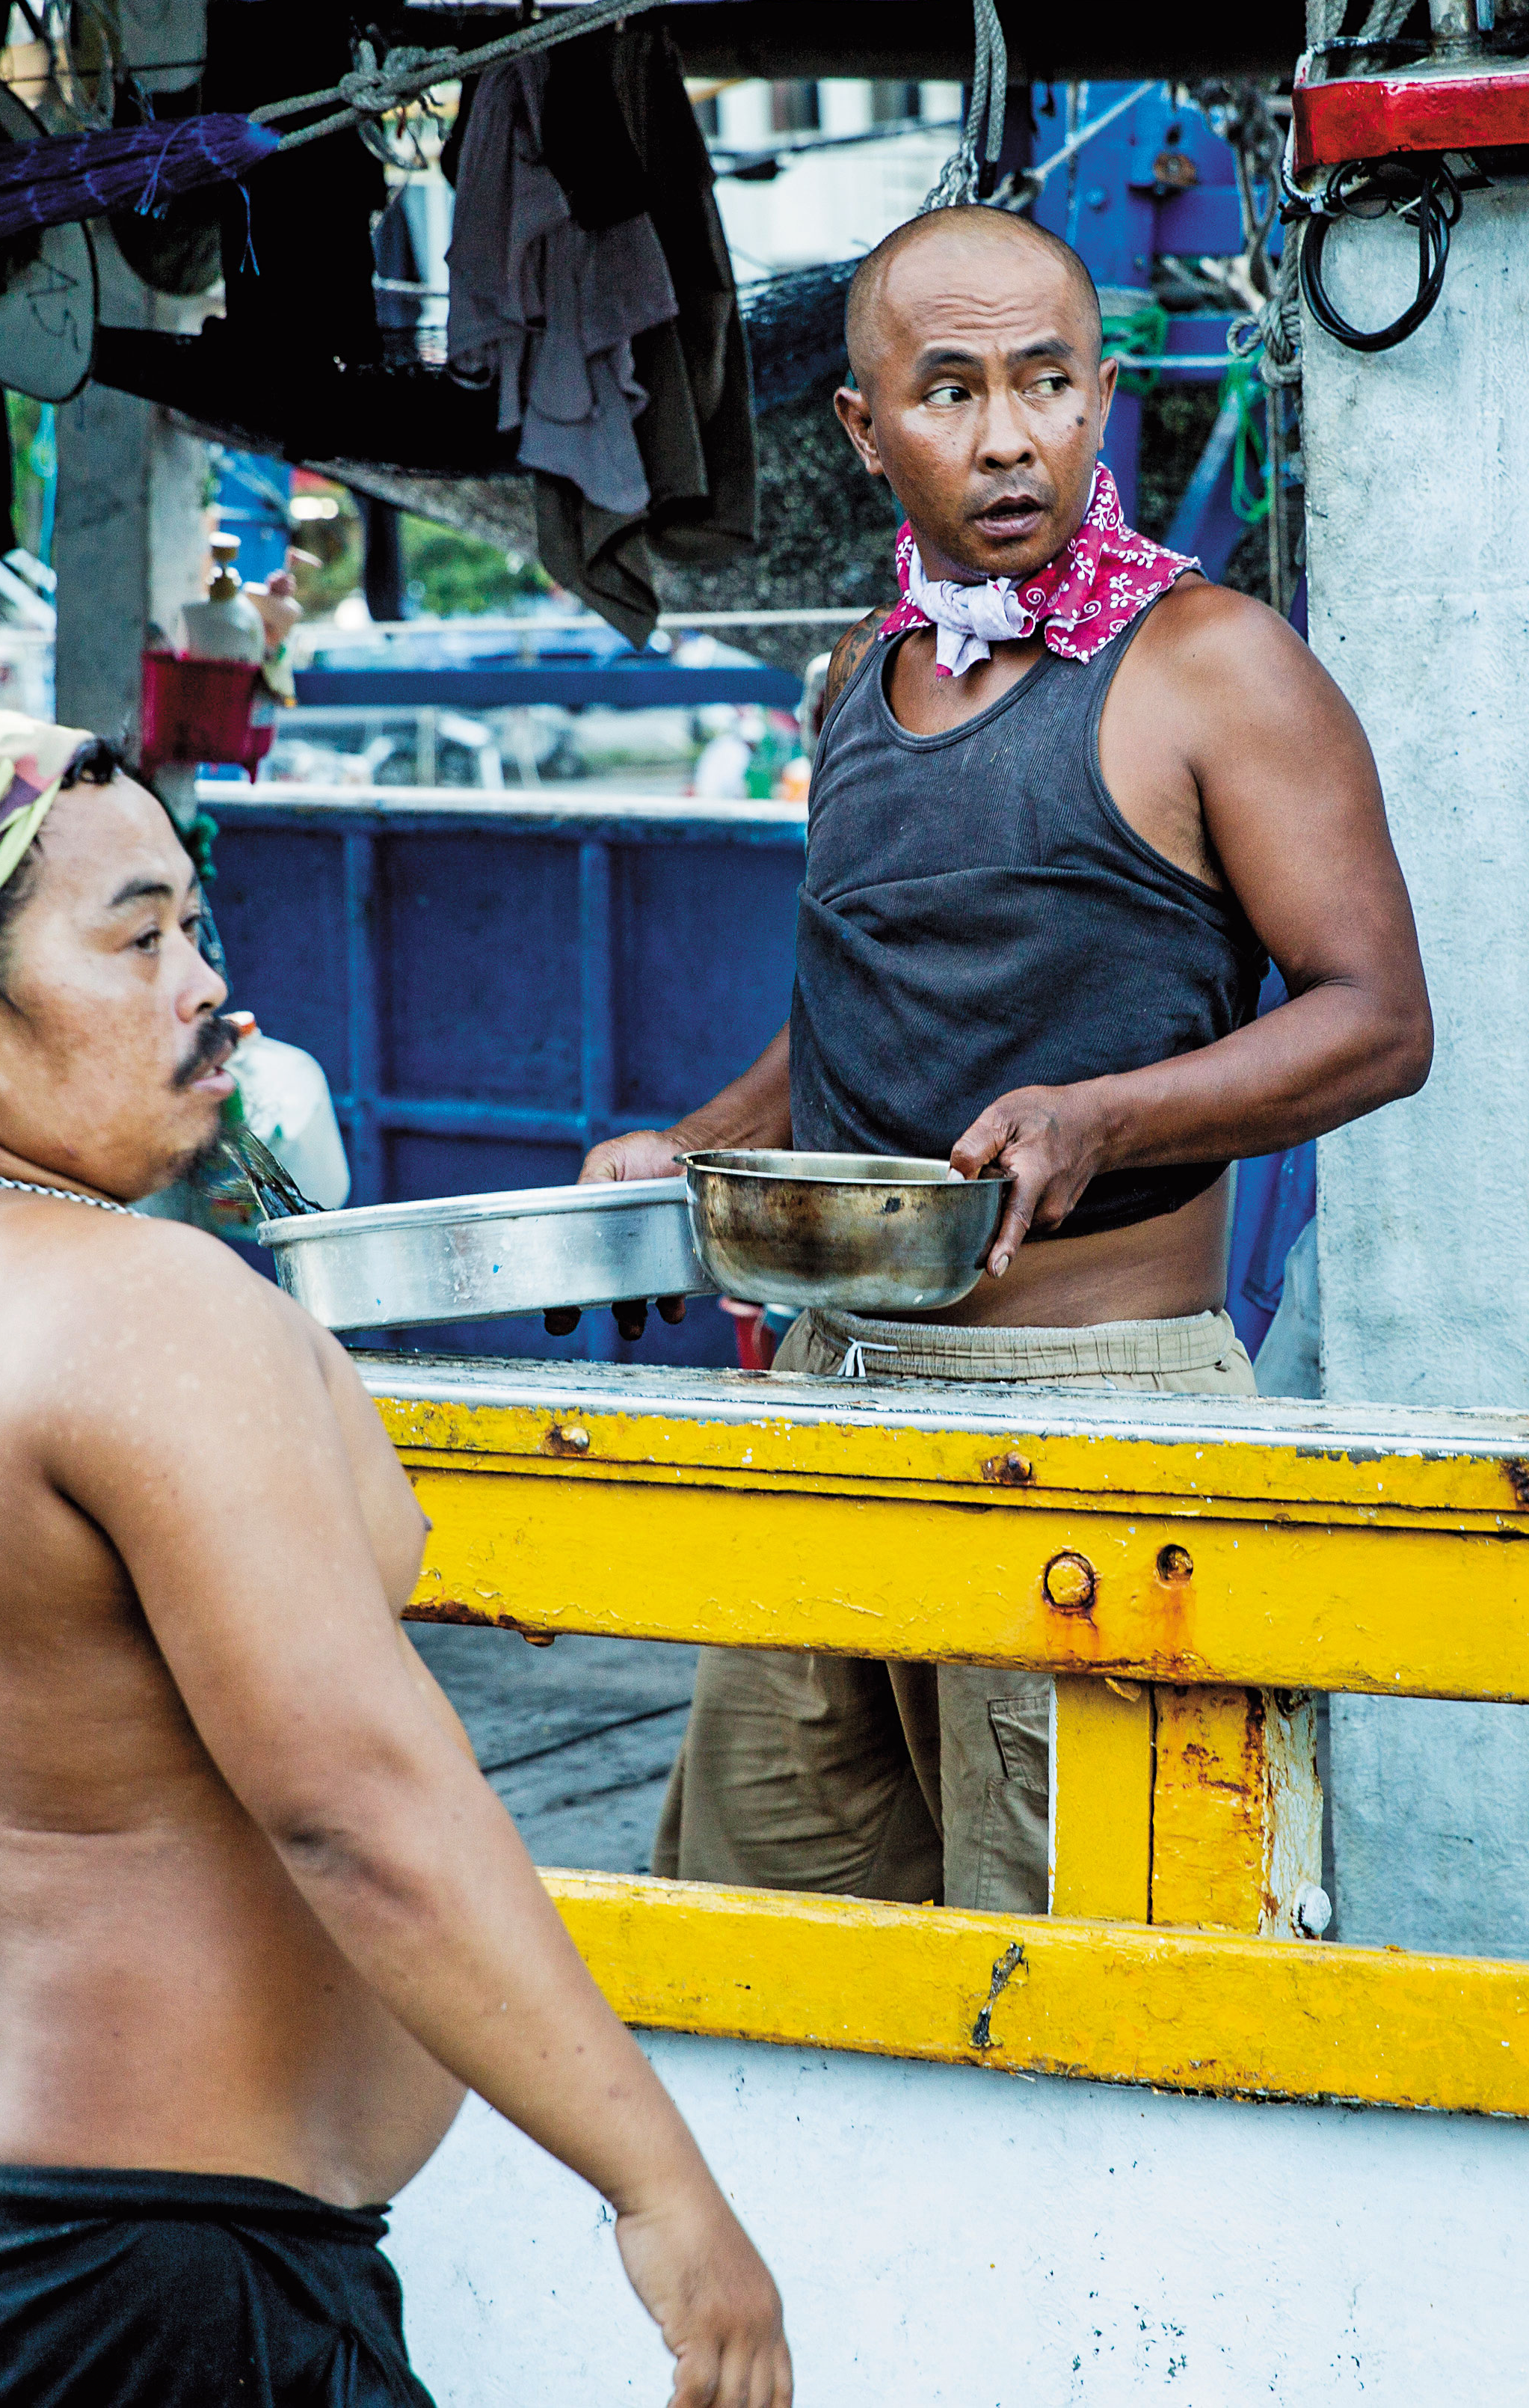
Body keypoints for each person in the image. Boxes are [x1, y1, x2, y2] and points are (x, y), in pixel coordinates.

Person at [0, 708, 792, 2408]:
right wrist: (658, 2187)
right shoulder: (144, 1315)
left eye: (196, 931)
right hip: (136, 2286)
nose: (204, 987)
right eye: (135, 940)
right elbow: (356, 1809)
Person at [581, 206, 1432, 1916]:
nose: (1004, 437)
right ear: (862, 426)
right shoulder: (858, 674)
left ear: (1099, 397)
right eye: (949, 389)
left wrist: (1098, 1118)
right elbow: (858, 1006)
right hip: (834, 1389)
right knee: (772, 1938)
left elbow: (1376, 1021)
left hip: (1096, 1414)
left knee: (1098, 1979)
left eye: (1045, 384)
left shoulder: (1213, 666)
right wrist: (696, 1145)